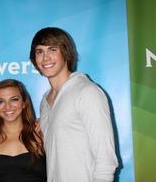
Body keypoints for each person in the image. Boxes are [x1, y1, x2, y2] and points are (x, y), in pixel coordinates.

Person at [29, 27, 118, 182]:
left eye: (52, 49)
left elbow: (106, 160)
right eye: (39, 51)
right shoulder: (45, 101)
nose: (45, 57)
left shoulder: (87, 92)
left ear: (65, 52)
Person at [0, 79, 46, 182]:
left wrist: (47, 120)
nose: (8, 106)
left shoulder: (40, 132)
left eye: (14, 99)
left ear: (24, 103)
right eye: (0, 101)